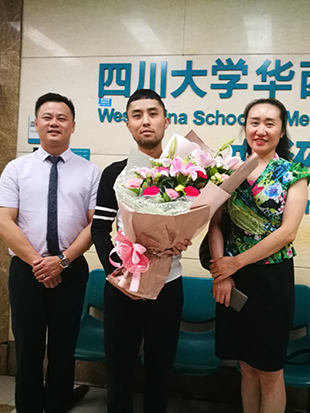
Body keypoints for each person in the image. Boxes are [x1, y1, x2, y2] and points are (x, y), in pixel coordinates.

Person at [0, 92, 101, 413]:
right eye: (47, 117)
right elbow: (4, 222)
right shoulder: (16, 169)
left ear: (73, 126)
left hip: (71, 269)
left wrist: (62, 261)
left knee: (63, 348)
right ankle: (28, 407)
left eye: (62, 118)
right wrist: (40, 263)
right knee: (28, 347)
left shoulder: (90, 172)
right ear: (37, 123)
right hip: (27, 271)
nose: (54, 123)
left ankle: (56, 405)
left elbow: (94, 226)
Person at [208, 98, 310, 413]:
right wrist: (221, 274)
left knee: (269, 369)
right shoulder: (228, 170)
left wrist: (234, 263)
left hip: (272, 281)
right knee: (246, 365)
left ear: (282, 130)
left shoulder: (294, 173)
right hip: (233, 278)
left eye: (270, 123)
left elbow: (287, 233)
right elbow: (214, 223)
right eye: (254, 122)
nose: (261, 130)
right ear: (245, 127)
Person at [91, 88, 190, 413]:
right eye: (137, 115)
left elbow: (190, 222)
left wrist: (183, 239)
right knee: (119, 369)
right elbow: (99, 230)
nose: (145, 121)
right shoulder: (114, 173)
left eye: (152, 113)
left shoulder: (183, 174)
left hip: (168, 283)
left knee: (161, 370)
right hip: (123, 286)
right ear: (128, 124)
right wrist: (116, 272)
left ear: (166, 120)